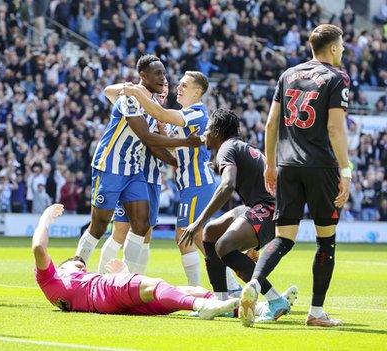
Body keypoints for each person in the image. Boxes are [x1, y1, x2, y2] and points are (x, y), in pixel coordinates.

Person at [240, 24, 351, 327]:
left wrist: (270, 164)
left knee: (283, 239)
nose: (341, 51)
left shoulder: (288, 74)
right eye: (340, 46)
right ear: (331, 48)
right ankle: (315, 313)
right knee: (326, 241)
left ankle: (253, 284)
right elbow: (334, 128)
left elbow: (271, 123)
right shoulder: (337, 78)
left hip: (287, 167)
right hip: (321, 167)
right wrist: (346, 170)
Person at [76, 55, 201, 273]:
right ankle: (79, 266)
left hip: (134, 171)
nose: (163, 78)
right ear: (143, 76)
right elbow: (146, 136)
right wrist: (185, 142)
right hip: (110, 167)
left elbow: (153, 143)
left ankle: (130, 281)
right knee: (99, 226)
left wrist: (176, 161)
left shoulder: (153, 106)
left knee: (142, 226)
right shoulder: (129, 98)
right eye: (158, 73)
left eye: (164, 73)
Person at [122, 72, 240, 292]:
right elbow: (177, 145)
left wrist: (137, 91)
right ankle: (223, 286)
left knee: (188, 236)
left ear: (198, 92)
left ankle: (211, 288)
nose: (179, 88)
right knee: (194, 238)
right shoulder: (187, 114)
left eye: (185, 85)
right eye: (180, 84)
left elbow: (162, 113)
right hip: (190, 185)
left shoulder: (196, 113)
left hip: (198, 184)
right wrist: (163, 133)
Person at [179, 109, 298, 322]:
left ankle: (275, 300)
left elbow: (227, 185)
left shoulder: (226, 148)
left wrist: (197, 221)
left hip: (270, 208)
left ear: (217, 131)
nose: (204, 135)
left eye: (207, 130)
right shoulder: (236, 146)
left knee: (223, 246)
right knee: (211, 233)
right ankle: (220, 303)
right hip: (265, 206)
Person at [34, 204, 238, 318]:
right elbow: (38, 248)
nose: (82, 265)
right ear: (62, 267)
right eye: (78, 264)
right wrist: (46, 217)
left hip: (109, 303)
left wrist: (122, 275)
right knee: (155, 285)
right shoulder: (52, 278)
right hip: (105, 292)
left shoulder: (56, 289)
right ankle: (203, 306)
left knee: (178, 291)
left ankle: (243, 308)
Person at [97, 81, 174, 274]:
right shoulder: (137, 106)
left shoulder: (167, 117)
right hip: (132, 176)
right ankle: (101, 277)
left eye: (166, 86)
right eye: (161, 85)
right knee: (120, 231)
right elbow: (108, 91)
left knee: (146, 234)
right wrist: (129, 87)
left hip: (153, 180)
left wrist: (163, 130)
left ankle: (133, 279)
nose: (163, 89)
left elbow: (173, 148)